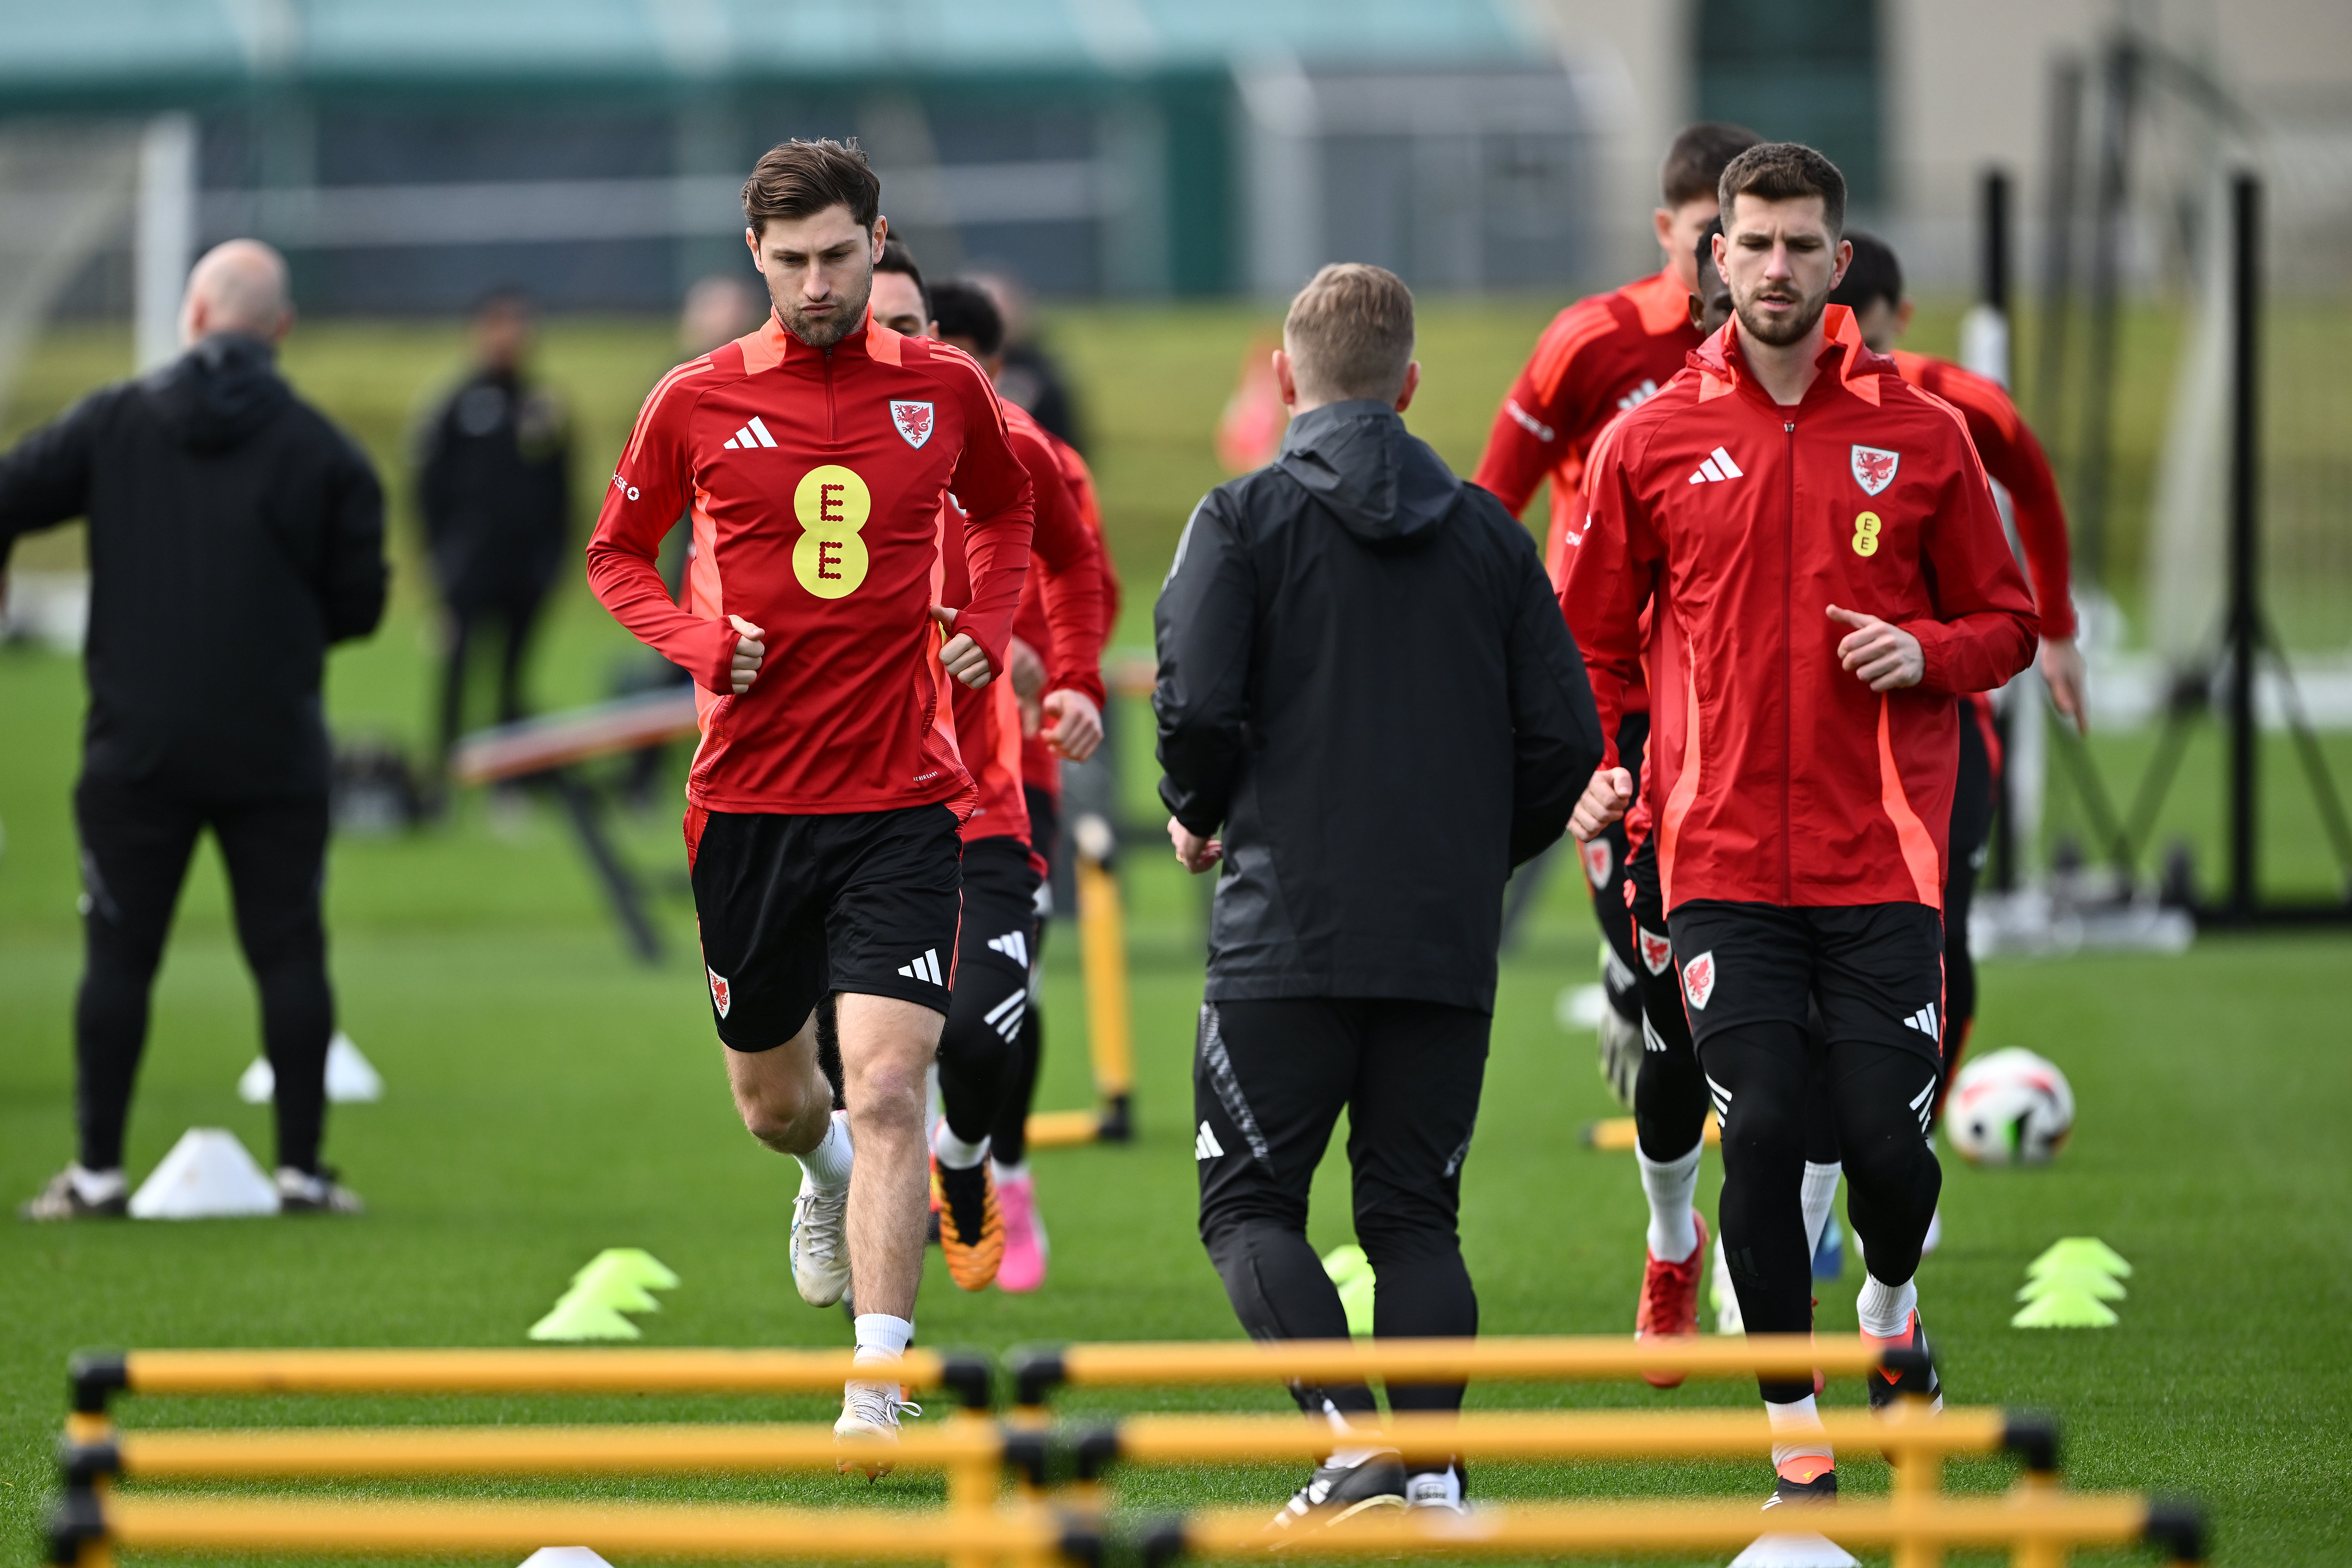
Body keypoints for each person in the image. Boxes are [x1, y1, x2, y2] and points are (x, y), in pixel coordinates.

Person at [1563, 143, 2039, 1506]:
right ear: (1713, 257)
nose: (1773, 267)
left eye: (1798, 246)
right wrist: (1600, 765)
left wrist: (1927, 653)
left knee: (1885, 1149)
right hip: (1711, 861)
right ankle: (1793, 1436)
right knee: (1762, 1127)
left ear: (1840, 265)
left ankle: (1887, 1318)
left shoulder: (1923, 437)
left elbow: (2002, 621)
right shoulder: (1646, 437)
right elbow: (1588, 645)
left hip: (1880, 859)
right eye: (1750, 243)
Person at [584, 138, 1034, 1457]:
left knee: (892, 1085)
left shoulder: (943, 387)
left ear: (876, 238)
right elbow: (616, 553)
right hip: (746, 803)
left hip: (902, 796)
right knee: (781, 1104)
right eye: (790, 262)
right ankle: (820, 1177)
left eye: (839, 256)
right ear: (753, 258)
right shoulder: (694, 399)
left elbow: (1005, 518)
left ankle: (876, 1391)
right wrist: (688, 639)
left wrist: (984, 624)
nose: (818, 282)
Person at [1158, 263, 1602, 1525]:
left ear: (1285, 380)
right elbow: (1566, 744)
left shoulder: (1239, 518)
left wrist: (1200, 810)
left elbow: (1193, 699)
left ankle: (1354, 1446)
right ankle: (1435, 1471)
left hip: (1282, 933)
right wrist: (1482, 854)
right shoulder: (1491, 536)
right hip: (1440, 936)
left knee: (1248, 1202)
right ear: (1410, 384)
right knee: (1416, 1217)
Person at [2, 239, 386, 1219]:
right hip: (275, 746)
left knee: (118, 956)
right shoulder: (325, 452)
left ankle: (96, 1173)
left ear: (193, 315)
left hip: (136, 748)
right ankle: (302, 1171)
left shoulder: (114, 421)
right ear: (282, 329)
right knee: (291, 952)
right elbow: (361, 607)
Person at [1471, 124, 1758, 1253]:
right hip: (1602, 687)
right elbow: (1490, 506)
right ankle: (1621, 956)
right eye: (1712, 238)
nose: (1734, 267)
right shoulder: (1588, 343)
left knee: (1751, 988)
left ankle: (1762, 1259)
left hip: (1736, 691)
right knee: (1659, 992)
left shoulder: (1796, 355)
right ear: (1672, 230)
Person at [1829, 232, 2086, 1101]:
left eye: (1864, 342)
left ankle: (1912, 1139)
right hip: (1807, 733)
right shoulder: (1753, 411)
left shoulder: (1948, 405)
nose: (1853, 362)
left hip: (1939, 720)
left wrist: (2051, 628)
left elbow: (2033, 482)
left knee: (1938, 935)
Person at [908, 273, 1109, 1292]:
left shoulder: (1034, 454)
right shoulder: (849, 442)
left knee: (1003, 996)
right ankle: (863, 1188)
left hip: (1011, 760)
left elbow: (1086, 580)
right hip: (875, 772)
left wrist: (1058, 677)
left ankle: (1002, 1170)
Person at [417, 289, 571, 790]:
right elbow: (427, 491)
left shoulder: (542, 406)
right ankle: (444, 778)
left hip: (525, 568)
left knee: (512, 678)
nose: (509, 338)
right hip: (468, 566)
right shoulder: (455, 406)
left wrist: (554, 559)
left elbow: (561, 490)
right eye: (499, 326)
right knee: (458, 671)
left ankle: (510, 783)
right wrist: (438, 559)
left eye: (518, 327)